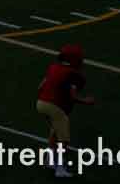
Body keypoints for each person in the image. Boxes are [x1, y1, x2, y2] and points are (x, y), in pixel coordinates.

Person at [35, 45, 94, 179]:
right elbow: (72, 96)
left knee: (54, 133)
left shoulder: (53, 68)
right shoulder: (73, 74)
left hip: (40, 103)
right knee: (64, 140)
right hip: (54, 107)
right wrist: (86, 101)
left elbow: (40, 86)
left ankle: (50, 161)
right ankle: (60, 169)